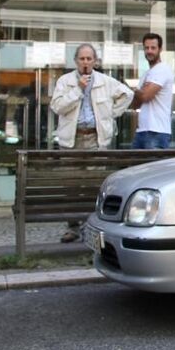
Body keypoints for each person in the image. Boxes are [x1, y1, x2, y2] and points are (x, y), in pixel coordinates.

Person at [50, 43, 133, 242]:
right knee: (71, 185)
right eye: (82, 59)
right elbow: (57, 106)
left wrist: (110, 115)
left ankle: (92, 226)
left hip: (95, 139)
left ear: (95, 61)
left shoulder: (105, 81)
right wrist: (78, 89)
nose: (85, 62)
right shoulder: (65, 81)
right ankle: (72, 227)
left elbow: (127, 94)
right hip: (72, 139)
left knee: (94, 185)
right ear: (76, 61)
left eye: (89, 59)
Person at [130, 33, 174, 149]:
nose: (149, 51)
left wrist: (136, 90)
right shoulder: (146, 74)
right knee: (135, 166)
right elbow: (135, 104)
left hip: (157, 131)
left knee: (153, 166)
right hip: (142, 130)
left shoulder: (163, 69)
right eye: (146, 48)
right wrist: (140, 92)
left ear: (160, 49)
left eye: (153, 48)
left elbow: (145, 97)